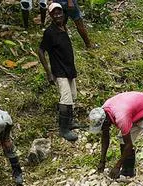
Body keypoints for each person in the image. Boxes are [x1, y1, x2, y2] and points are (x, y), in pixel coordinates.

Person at [90, 92, 143, 185]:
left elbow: (128, 145)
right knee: (122, 138)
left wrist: (117, 166)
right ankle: (128, 171)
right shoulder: (102, 111)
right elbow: (105, 136)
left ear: (106, 121)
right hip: (133, 113)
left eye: (103, 127)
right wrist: (102, 161)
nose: (103, 129)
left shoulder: (121, 117)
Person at [38, 2, 79, 142]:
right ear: (50, 16)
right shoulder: (50, 32)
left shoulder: (63, 26)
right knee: (66, 98)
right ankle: (63, 129)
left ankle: (70, 122)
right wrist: (49, 72)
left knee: (73, 96)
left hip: (69, 69)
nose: (58, 15)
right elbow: (40, 50)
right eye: (54, 13)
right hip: (59, 70)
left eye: (59, 12)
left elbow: (71, 9)